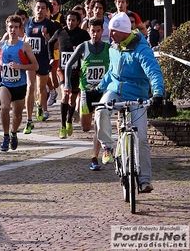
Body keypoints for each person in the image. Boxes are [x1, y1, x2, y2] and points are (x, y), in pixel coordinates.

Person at [94, 12, 164, 193]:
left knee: (141, 137)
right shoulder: (114, 47)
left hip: (137, 95)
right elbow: (111, 72)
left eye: (113, 32)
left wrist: (157, 93)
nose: (110, 35)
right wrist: (99, 88)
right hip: (115, 91)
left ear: (124, 31)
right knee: (101, 110)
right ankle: (107, 146)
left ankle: (144, 180)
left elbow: (153, 72)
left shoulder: (142, 49)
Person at [63, 18, 110, 170]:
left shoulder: (108, 48)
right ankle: (75, 114)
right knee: (85, 127)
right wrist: (68, 84)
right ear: (88, 31)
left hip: (102, 92)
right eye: (92, 31)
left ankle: (95, 157)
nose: (95, 34)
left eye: (98, 31)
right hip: (86, 91)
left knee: (99, 123)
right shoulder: (84, 47)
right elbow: (69, 64)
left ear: (102, 31)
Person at [0, 15, 39, 151]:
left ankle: (14, 133)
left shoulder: (24, 46)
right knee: (4, 108)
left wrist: (19, 66)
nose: (13, 30)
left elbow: (35, 66)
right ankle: (5, 136)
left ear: (20, 29)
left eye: (16, 27)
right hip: (5, 84)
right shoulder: (1, 45)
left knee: (17, 115)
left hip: (19, 85)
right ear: (6, 28)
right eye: (10, 27)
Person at [48, 10, 90, 139]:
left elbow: (90, 47)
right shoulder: (60, 32)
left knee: (72, 99)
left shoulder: (83, 34)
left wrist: (80, 51)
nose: (70, 22)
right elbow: (50, 43)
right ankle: (62, 126)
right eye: (68, 20)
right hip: (62, 69)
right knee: (65, 95)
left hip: (77, 70)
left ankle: (69, 120)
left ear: (78, 22)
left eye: (73, 20)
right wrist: (51, 58)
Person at [23, 0, 58, 134]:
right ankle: (29, 120)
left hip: (43, 60)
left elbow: (56, 45)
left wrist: (46, 36)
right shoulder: (28, 23)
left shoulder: (50, 25)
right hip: (30, 60)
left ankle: (39, 105)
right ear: (34, 9)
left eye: (43, 8)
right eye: (38, 7)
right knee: (30, 87)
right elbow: (26, 38)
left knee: (40, 89)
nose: (40, 10)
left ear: (47, 11)